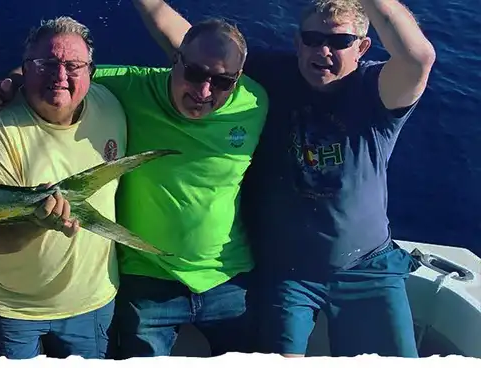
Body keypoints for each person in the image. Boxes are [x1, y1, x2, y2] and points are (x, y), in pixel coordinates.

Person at [130, 0, 435, 357]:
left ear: (362, 47)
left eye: (339, 41)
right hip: (287, 275)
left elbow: (418, 58)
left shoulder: (376, 92)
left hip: (367, 269)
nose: (323, 50)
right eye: (312, 39)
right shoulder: (273, 76)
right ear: (297, 42)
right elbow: (188, 43)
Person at [0, 8, 270, 358]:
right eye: (194, 73)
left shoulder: (255, 103)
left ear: (237, 79)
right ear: (175, 60)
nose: (204, 91)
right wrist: (10, 83)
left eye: (222, 82)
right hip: (147, 283)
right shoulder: (131, 86)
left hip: (229, 279)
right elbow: (62, 71)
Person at [0, 16, 126, 359]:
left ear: (91, 71)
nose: (61, 75)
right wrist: (40, 223)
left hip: (91, 302)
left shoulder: (111, 104)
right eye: (46, 64)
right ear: (26, 69)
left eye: (73, 66)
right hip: (6, 309)